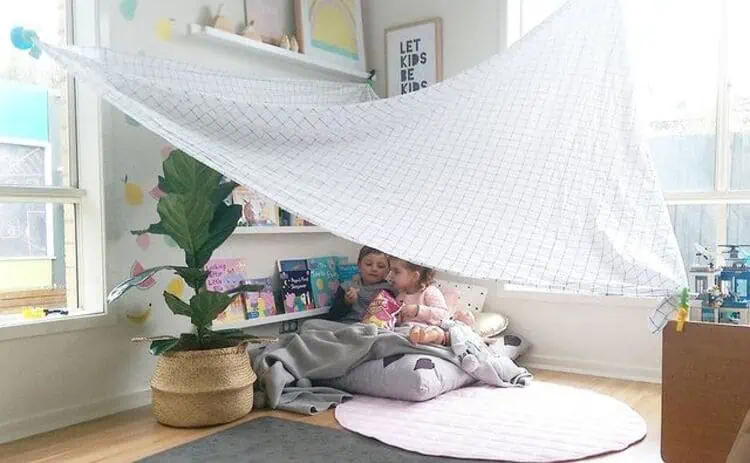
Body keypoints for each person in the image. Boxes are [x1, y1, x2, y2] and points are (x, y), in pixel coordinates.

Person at [387, 257, 453, 345]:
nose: (391, 275)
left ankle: (423, 338)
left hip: (427, 330)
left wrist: (418, 310)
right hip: (406, 331)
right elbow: (398, 321)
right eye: (391, 270)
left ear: (414, 276)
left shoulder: (429, 291)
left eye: (396, 272)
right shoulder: (400, 295)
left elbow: (443, 314)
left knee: (437, 333)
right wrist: (397, 317)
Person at [324, 246, 394, 323]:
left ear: (388, 270)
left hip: (373, 328)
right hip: (346, 326)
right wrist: (346, 302)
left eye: (380, 266)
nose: (374, 269)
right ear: (359, 264)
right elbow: (333, 316)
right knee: (312, 323)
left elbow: (392, 319)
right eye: (368, 264)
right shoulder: (347, 287)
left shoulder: (390, 290)